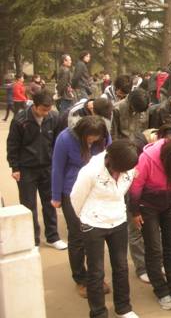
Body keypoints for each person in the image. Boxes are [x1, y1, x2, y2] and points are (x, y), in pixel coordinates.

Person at [70, 140, 140, 318]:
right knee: (96, 271)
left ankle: (123, 308)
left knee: (121, 266)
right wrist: (87, 217)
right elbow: (76, 198)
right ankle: (98, 312)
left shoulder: (128, 166)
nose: (123, 174)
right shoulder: (90, 171)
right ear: (110, 160)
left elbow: (124, 190)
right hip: (93, 224)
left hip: (118, 220)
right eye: (120, 170)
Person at [129, 135, 171, 311]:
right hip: (147, 207)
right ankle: (161, 290)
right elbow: (135, 188)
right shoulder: (146, 159)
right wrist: (135, 212)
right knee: (154, 248)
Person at [51, 115, 111, 297]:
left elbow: (109, 160)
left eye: (97, 137)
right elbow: (57, 167)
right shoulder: (65, 138)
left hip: (96, 191)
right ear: (82, 133)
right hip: (71, 192)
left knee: (95, 235)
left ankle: (96, 276)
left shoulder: (103, 137)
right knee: (77, 237)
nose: (93, 140)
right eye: (90, 137)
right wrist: (56, 196)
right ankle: (80, 278)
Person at [6, 90, 66, 249]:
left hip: (48, 167)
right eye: (43, 110)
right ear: (34, 105)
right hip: (26, 168)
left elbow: (57, 142)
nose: (46, 113)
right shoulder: (20, 120)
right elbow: (12, 144)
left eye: (48, 110)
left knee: (50, 202)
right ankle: (33, 239)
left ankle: (52, 237)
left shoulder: (54, 117)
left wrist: (57, 163)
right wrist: (15, 167)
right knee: (28, 204)